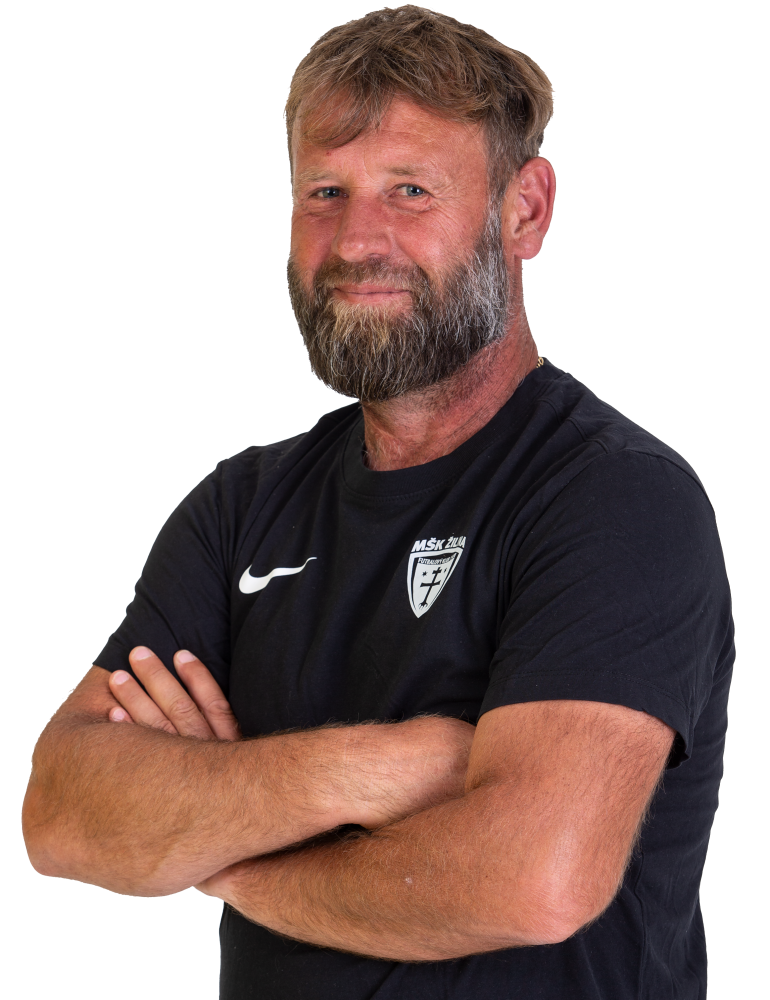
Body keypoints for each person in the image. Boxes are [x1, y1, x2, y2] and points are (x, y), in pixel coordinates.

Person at [22, 7, 733, 999]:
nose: (358, 240)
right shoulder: (240, 508)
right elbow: (62, 814)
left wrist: (220, 853)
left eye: (410, 190)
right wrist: (382, 766)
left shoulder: (614, 498)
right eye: (325, 191)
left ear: (524, 210)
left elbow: (535, 879)